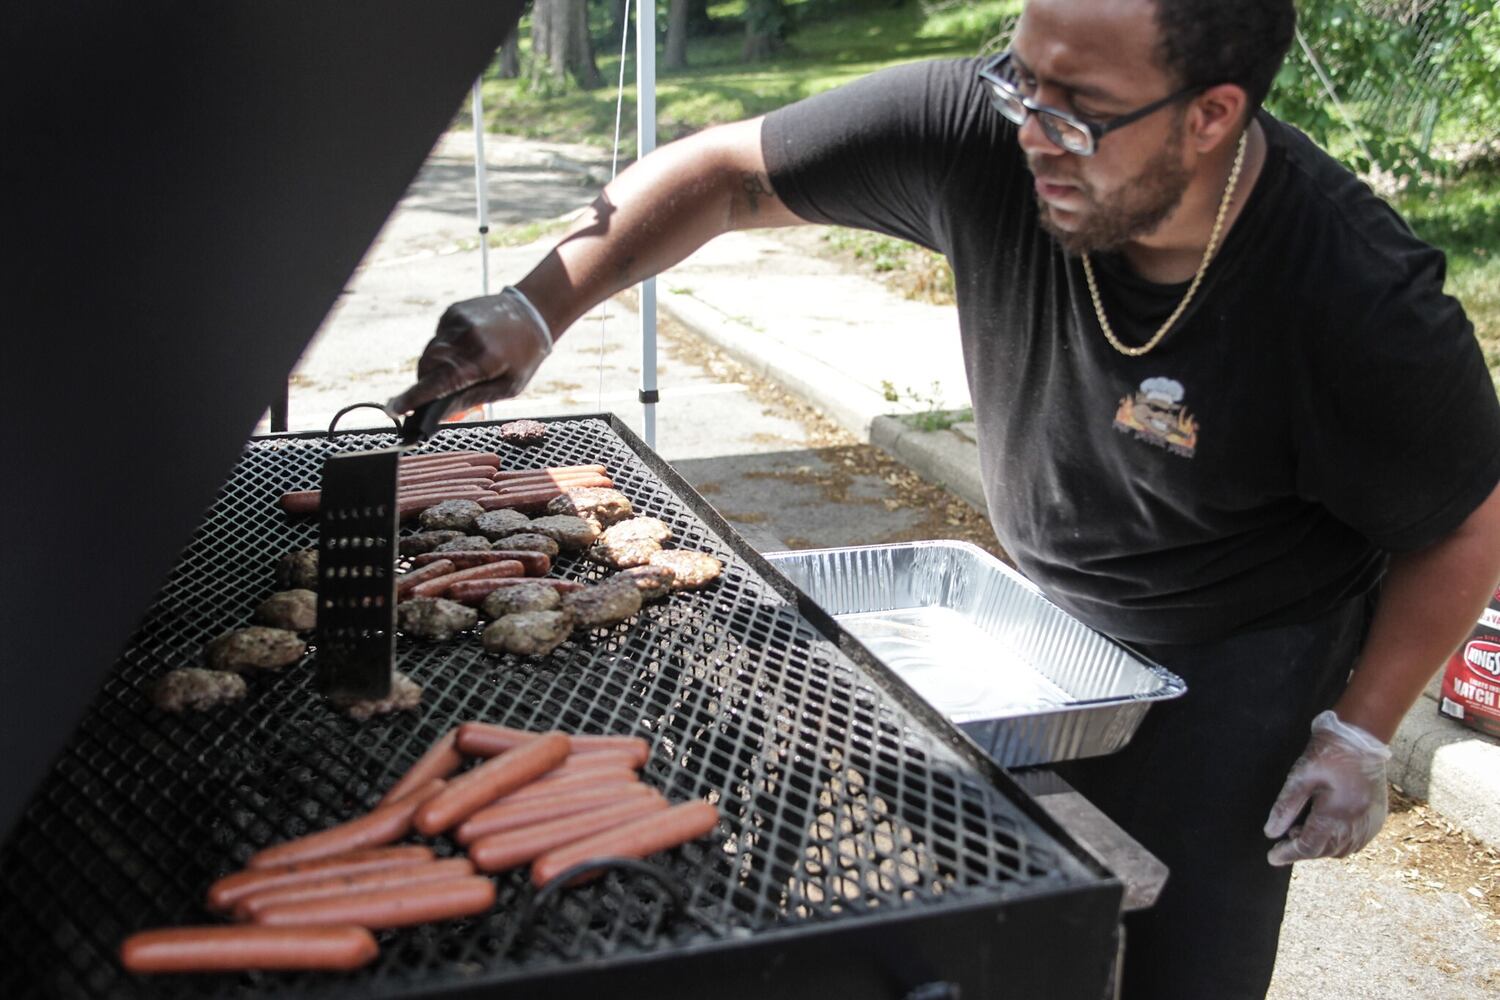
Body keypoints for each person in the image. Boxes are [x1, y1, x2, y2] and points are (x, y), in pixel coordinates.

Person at [389, 1, 1500, 996]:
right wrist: (538, 307)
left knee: (1180, 960)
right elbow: (730, 171)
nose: (1029, 129)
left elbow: (1464, 523)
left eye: (1078, 110)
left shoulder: (1355, 299)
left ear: (1209, 115)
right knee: (1002, 924)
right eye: (1023, 78)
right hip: (1039, 622)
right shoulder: (990, 132)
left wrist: (1357, 733)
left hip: (1242, 648)